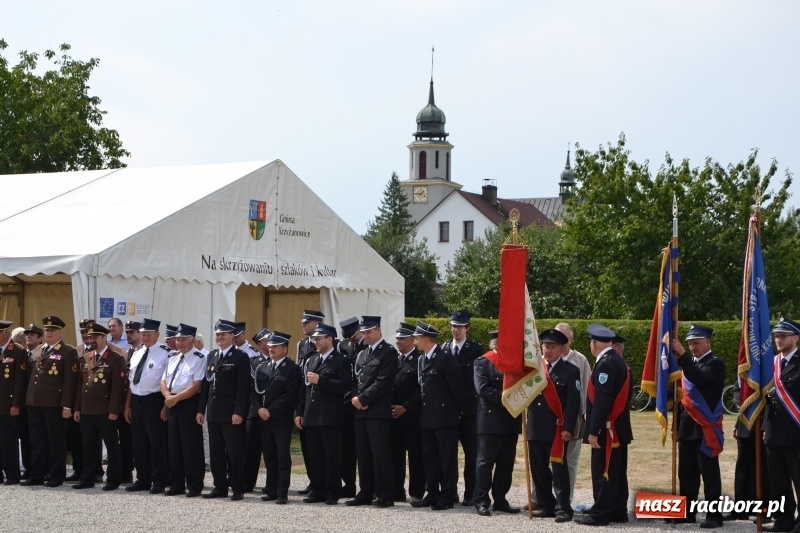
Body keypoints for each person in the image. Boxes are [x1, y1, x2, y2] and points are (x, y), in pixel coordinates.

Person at [575, 324, 632, 526]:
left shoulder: (605, 364)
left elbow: (602, 399)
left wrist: (594, 431)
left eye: (591, 342)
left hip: (607, 429)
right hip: (618, 426)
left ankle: (600, 514)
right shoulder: (618, 360)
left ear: (594, 343)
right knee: (617, 471)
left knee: (603, 470)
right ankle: (617, 509)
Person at [671, 324, 725, 529]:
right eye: (690, 344)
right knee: (686, 474)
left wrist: (682, 355)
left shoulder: (715, 363)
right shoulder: (686, 364)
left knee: (709, 474)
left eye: (697, 343)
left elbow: (699, 377)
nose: (693, 347)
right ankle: (687, 513)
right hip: (687, 426)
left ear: (708, 342)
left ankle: (714, 515)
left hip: (706, 427)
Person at [526, 328, 580, 522]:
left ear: (561, 349)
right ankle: (546, 504)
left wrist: (569, 428)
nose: (548, 351)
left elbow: (574, 403)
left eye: (552, 347)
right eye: (545, 346)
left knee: (559, 469)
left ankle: (563, 508)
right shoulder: (534, 369)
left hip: (556, 428)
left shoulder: (570, 371)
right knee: (538, 468)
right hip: (535, 425)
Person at [295, 323, 351, 505]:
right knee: (315, 456)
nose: (315, 342)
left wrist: (322, 380)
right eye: (314, 339)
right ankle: (317, 489)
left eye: (319, 339)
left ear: (329, 339)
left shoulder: (341, 360)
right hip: (311, 414)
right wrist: (299, 412)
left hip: (330, 416)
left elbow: (344, 386)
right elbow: (304, 389)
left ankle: (333, 491)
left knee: (331, 456)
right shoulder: (311, 360)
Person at [411, 321, 464, 511]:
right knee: (430, 458)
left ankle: (447, 495)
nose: (414, 341)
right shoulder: (422, 359)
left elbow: (457, 389)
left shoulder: (445, 359)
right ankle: (432, 493)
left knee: (446, 459)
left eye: (417, 338)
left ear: (426, 339)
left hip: (445, 417)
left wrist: (458, 412)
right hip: (427, 417)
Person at [22, 316, 81, 488]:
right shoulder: (40, 349)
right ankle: (37, 475)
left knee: (56, 441)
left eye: (53, 330)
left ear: (60, 332)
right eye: (47, 330)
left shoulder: (68, 352)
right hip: (35, 403)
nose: (49, 333)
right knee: (37, 440)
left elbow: (70, 382)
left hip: (54, 404)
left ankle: (56, 475)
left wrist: (67, 405)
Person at [346, 316, 398, 508]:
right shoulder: (362, 354)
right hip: (360, 411)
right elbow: (355, 380)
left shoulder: (388, 352)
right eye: (363, 332)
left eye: (369, 332)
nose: (365, 335)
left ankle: (385, 494)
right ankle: (365, 492)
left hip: (377, 411)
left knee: (380, 454)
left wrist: (364, 399)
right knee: (363, 454)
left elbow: (383, 382)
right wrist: (356, 399)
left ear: (379, 331)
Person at [197, 319, 250, 501]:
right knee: (216, 453)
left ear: (232, 335)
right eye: (218, 334)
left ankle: (238, 488)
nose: (220, 337)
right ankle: (219, 487)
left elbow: (244, 388)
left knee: (235, 453)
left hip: (231, 413)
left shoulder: (240, 357)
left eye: (223, 334)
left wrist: (239, 412)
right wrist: (201, 409)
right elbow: (206, 385)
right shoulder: (212, 356)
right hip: (214, 412)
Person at [473, 330, 521, 517]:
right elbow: (483, 390)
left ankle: (500, 499)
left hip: (511, 419)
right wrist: (509, 399)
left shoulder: (516, 364)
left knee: (506, 463)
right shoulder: (483, 362)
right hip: (490, 421)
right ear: (496, 343)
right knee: (485, 463)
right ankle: (481, 500)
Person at [72, 323, 127, 490]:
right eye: (90, 337)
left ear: (104, 337)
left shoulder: (115, 358)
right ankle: (87, 478)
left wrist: (113, 410)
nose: (91, 340)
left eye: (95, 337)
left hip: (105, 411)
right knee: (88, 446)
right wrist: (77, 408)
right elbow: (81, 385)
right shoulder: (87, 357)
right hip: (87, 410)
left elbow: (118, 388)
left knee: (111, 446)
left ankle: (113, 479)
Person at [252, 331, 301, 505]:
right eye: (270, 346)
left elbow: (290, 395)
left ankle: (282, 492)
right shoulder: (262, 367)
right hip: (263, 418)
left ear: (285, 349)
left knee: (282, 456)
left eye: (275, 347)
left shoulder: (292, 369)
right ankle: (271, 490)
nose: (270, 349)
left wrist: (270, 411)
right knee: (269, 455)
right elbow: (255, 392)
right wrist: (259, 409)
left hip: (280, 419)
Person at [440, 310, 483, 506]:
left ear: (467, 328)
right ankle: (449, 492)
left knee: (472, 454)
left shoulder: (475, 350)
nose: (455, 330)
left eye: (459, 326)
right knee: (447, 455)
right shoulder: (444, 348)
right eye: (453, 326)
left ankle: (470, 493)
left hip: (469, 409)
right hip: (448, 410)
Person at [124, 318, 170, 493]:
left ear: (157, 334)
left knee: (157, 443)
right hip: (137, 400)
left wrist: (165, 406)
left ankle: (159, 480)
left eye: (149, 334)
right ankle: (143, 479)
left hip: (154, 401)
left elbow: (168, 382)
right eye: (143, 334)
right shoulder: (136, 353)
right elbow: (131, 381)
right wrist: (128, 405)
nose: (145, 337)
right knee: (139, 442)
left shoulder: (166, 353)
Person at [764, 318, 800, 533]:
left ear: (796, 338)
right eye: (777, 336)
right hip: (774, 431)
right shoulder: (772, 363)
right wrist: (764, 428)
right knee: (778, 480)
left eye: (783, 336)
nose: (779, 339)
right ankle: (783, 520)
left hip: (796, 432)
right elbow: (767, 399)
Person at [161, 323, 206, 497]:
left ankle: (194, 485)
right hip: (172, 402)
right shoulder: (171, 357)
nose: (179, 343)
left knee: (191, 446)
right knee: (174, 446)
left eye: (183, 340)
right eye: (177, 339)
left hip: (188, 403)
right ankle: (177, 484)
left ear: (192, 341)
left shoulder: (199, 358)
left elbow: (197, 385)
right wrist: (167, 397)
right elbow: (163, 381)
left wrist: (176, 398)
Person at [556, 322, 591, 507]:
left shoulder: (580, 360)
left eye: (564, 339)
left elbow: (587, 388)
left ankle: (566, 500)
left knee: (569, 460)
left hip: (574, 418)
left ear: (571, 340)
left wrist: (586, 414)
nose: (561, 342)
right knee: (544, 459)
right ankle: (539, 498)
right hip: (550, 419)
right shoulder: (544, 358)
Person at [390, 322, 424, 504]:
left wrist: (406, 407)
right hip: (393, 416)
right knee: (395, 455)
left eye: (402, 338)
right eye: (397, 338)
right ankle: (397, 491)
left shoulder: (419, 360)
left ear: (413, 340)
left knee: (416, 456)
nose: (398, 341)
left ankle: (417, 492)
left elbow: (422, 389)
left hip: (412, 416)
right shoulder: (394, 360)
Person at [296, 309, 324, 495]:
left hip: (321, 400)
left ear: (317, 323)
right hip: (305, 395)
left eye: (307, 322)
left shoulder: (328, 342)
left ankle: (325, 482)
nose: (303, 325)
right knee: (308, 446)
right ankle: (313, 480)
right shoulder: (302, 344)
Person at [336, 316, 363, 498]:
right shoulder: (344, 346)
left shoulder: (367, 346)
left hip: (361, 400)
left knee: (363, 449)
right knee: (346, 448)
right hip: (346, 403)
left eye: (353, 336)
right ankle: (349, 484)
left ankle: (369, 485)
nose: (351, 340)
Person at [245, 327, 271, 493]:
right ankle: (248, 483)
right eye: (267, 340)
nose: (271, 343)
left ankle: (272, 485)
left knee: (271, 451)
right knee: (250, 450)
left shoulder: (282, 362)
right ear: (260, 344)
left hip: (272, 413)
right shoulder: (253, 362)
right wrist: (258, 408)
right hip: (254, 412)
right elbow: (250, 389)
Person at [0, 320, 27, 485]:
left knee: (8, 440)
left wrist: (16, 404)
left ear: (4, 333)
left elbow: (20, 381)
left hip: (8, 404)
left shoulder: (17, 351)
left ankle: (12, 474)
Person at [19, 323, 44, 479]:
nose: (29, 336)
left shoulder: (43, 353)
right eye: (27, 334)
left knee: (39, 438)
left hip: (38, 402)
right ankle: (29, 467)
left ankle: (42, 469)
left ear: (40, 339)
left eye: (33, 334)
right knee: (25, 437)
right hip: (22, 402)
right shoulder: (21, 353)